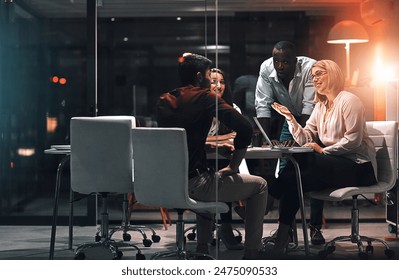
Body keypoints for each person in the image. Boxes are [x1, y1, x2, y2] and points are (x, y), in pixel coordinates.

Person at [157, 53, 268, 260]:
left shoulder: (164, 100)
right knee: (260, 185)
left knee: (208, 176)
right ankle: (253, 251)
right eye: (210, 75)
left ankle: (202, 248)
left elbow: (178, 141)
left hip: (165, 183)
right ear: (200, 76)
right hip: (196, 184)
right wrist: (234, 165)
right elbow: (244, 128)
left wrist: (205, 146)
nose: (212, 81)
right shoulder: (206, 98)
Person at [269, 59, 377, 256]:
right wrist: (290, 118)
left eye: (319, 74)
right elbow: (305, 138)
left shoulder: (349, 101)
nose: (314, 79)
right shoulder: (321, 106)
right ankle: (282, 238)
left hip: (359, 167)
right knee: (296, 181)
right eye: (313, 76)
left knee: (303, 161)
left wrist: (321, 150)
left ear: (333, 75)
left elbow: (353, 140)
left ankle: (270, 194)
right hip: (333, 166)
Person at [255, 40, 326, 245]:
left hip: (314, 119)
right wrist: (267, 141)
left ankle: (315, 228)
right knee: (286, 167)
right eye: (277, 61)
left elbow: (308, 107)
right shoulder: (266, 68)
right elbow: (262, 105)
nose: (280, 66)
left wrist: (300, 141)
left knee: (308, 167)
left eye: (285, 62)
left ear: (295, 61)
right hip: (290, 118)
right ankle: (287, 231)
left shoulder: (310, 68)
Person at [206, 68, 245, 251]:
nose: (218, 85)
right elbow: (197, 140)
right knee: (225, 171)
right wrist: (221, 140)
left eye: (221, 82)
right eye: (214, 81)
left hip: (221, 160)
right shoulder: (200, 107)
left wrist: (218, 141)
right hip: (199, 162)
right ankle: (239, 204)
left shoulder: (231, 108)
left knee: (227, 168)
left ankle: (227, 224)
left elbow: (236, 135)